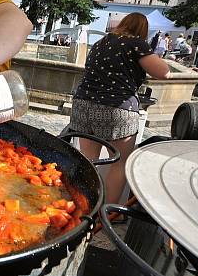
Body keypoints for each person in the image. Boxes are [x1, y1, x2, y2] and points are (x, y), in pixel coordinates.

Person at [71, 12, 170, 204]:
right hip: (116, 109)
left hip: (83, 104)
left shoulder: (101, 43)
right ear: (143, 30)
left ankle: (83, 206)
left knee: (88, 161)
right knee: (120, 162)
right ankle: (106, 214)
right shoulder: (137, 44)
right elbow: (164, 73)